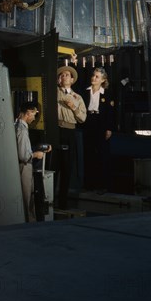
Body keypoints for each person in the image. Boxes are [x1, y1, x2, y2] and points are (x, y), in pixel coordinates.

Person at [81, 67, 116, 193]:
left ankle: (103, 185)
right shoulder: (85, 91)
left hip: (101, 123)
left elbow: (110, 113)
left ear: (103, 80)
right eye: (93, 75)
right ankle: (89, 184)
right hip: (88, 121)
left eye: (97, 77)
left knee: (102, 154)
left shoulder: (107, 93)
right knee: (89, 153)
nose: (93, 78)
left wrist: (109, 128)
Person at [15, 101, 51, 222]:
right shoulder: (22, 130)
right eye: (34, 114)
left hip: (19, 167)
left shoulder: (14, 125)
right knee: (27, 199)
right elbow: (24, 155)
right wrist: (36, 154)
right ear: (28, 113)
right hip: (24, 167)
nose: (34, 117)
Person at [56, 65, 87, 209]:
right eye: (62, 75)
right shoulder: (54, 93)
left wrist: (73, 107)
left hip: (69, 131)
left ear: (72, 79)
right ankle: (50, 197)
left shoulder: (78, 97)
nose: (64, 77)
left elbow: (82, 118)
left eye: (67, 75)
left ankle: (63, 200)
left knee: (67, 166)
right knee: (54, 164)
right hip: (56, 130)